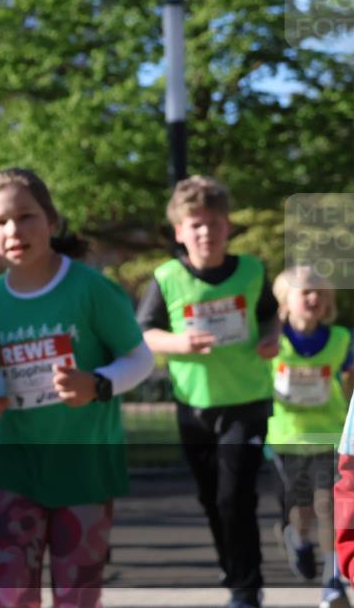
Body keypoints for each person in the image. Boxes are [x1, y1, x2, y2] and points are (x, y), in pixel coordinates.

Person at [0, 168, 154, 608]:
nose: (14, 230)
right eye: (0, 221)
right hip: (16, 473)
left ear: (52, 221)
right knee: (14, 598)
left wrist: (98, 384)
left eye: (27, 216)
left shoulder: (91, 289)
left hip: (84, 471)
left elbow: (140, 358)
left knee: (76, 598)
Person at [138, 175, 279, 608]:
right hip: (194, 403)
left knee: (235, 495)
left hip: (247, 400)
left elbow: (272, 316)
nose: (205, 232)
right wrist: (180, 343)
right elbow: (144, 332)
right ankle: (232, 565)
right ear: (179, 231)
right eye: (195, 224)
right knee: (212, 497)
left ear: (228, 227)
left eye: (214, 223)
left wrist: (272, 337)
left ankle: (246, 587)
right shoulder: (166, 277)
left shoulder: (252, 270)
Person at [265, 267, 352, 608]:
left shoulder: (342, 340)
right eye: (305, 293)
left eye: (320, 293)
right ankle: (297, 539)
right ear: (286, 301)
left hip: (329, 435)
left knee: (328, 506)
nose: (314, 299)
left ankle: (332, 584)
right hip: (286, 438)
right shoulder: (272, 343)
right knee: (300, 510)